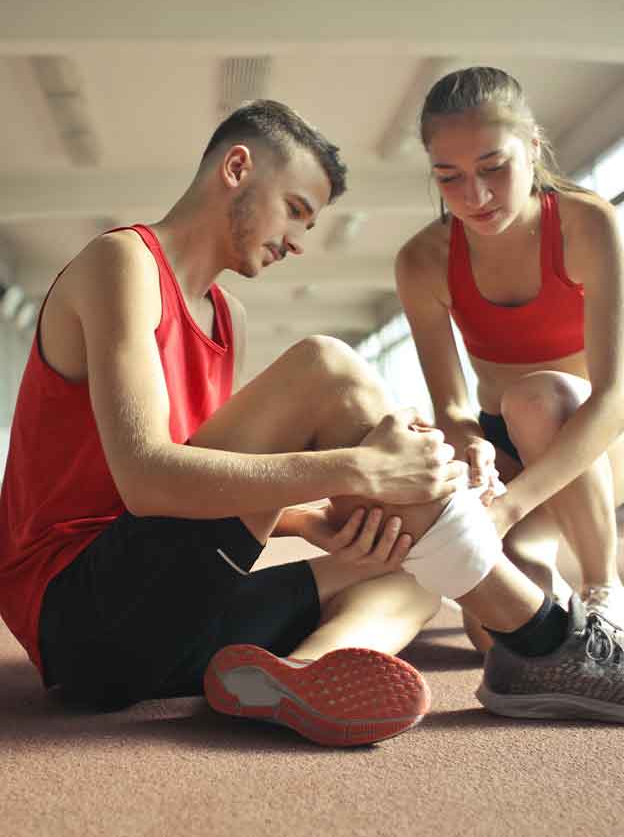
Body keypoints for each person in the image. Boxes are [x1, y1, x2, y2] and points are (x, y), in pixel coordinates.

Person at [1, 100, 624, 750]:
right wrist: (356, 469)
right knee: (326, 366)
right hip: (82, 620)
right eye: (297, 209)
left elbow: (201, 477)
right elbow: (146, 479)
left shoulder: (227, 317)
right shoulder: (121, 263)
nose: (300, 240)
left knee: (409, 571)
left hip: (157, 626)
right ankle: (548, 638)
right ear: (237, 167)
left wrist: (314, 522)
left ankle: (300, 675)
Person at [395, 66, 624, 651]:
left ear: (534, 148)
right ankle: (546, 575)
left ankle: (605, 589)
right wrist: (473, 444)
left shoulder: (590, 224)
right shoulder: (422, 261)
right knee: (498, 637)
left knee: (537, 395)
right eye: (449, 177)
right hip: (511, 450)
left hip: (598, 437)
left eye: (494, 168)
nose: (475, 197)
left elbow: (614, 394)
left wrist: (513, 506)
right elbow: (449, 403)